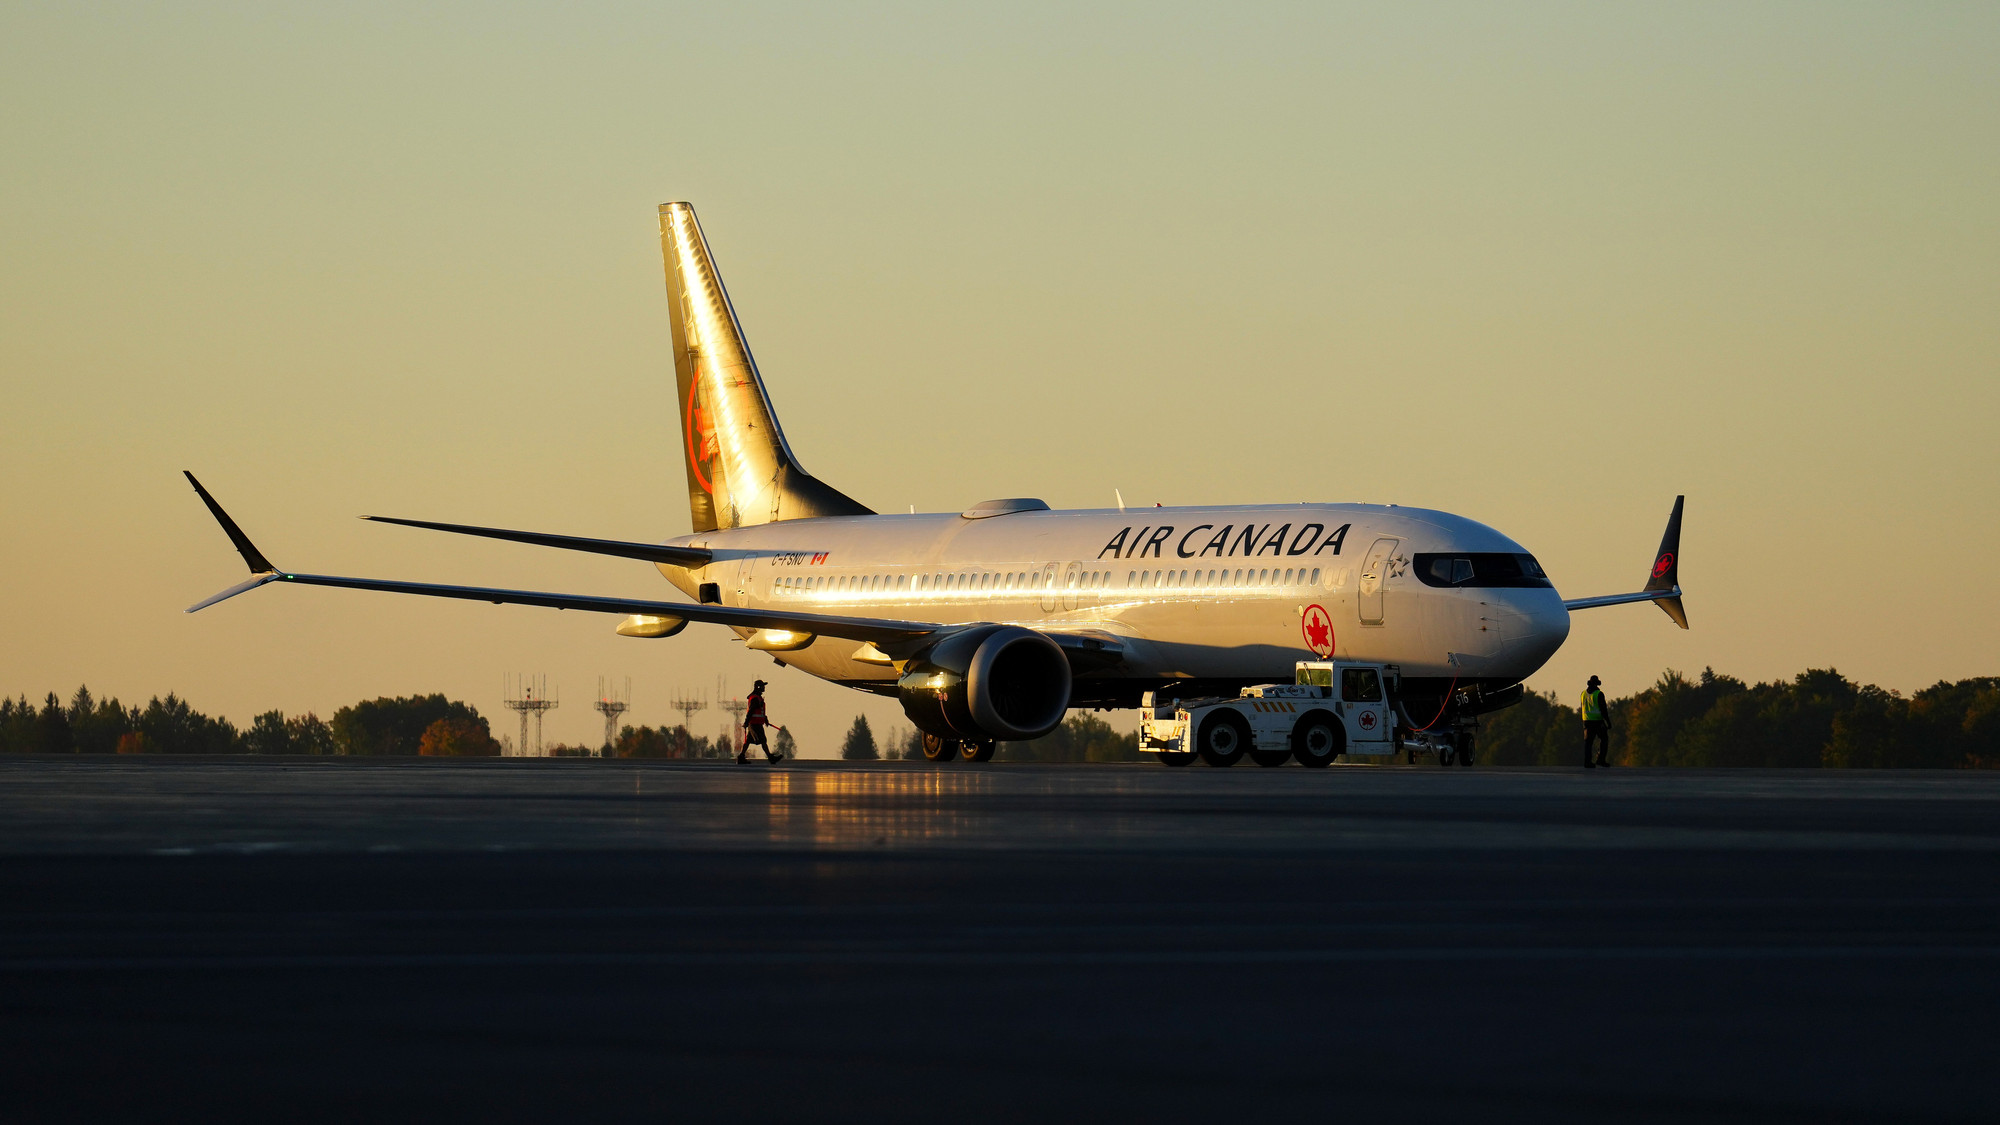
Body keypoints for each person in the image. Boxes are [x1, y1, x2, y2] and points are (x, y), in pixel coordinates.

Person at [739, 680, 785, 765]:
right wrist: (746, 722)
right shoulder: (755, 699)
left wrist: (765, 720)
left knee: (748, 741)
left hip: (755, 723)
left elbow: (760, 711)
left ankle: (741, 757)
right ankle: (771, 758)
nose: (764, 688)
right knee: (763, 740)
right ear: (758, 687)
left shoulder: (757, 698)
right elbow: (751, 711)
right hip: (755, 724)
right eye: (763, 686)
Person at [1581, 675, 1609, 768]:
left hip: (1586, 721)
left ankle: (1587, 762)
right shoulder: (1599, 694)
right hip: (1597, 721)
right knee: (1604, 739)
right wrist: (1608, 722)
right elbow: (1603, 709)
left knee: (1588, 743)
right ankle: (1600, 759)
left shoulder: (1583, 694)